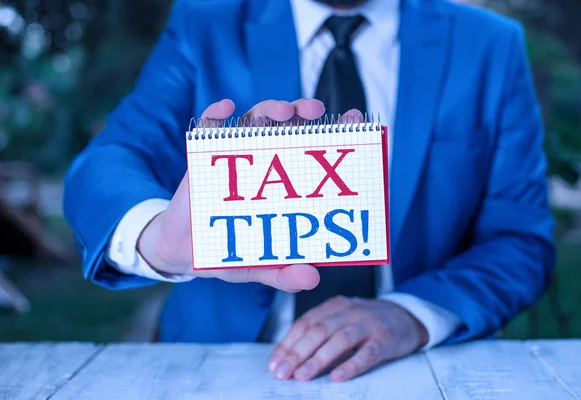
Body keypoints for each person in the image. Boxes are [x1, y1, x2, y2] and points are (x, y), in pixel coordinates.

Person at [63, 0, 555, 383]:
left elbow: (520, 240)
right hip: (217, 367)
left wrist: (415, 314)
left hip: (414, 370)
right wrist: (159, 240)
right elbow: (110, 160)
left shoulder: (490, 45)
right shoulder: (204, 24)